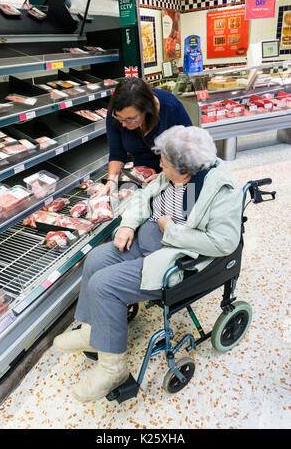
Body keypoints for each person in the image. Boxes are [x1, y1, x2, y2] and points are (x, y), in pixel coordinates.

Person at [53, 125, 243, 403]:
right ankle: (93, 332)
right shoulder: (174, 178)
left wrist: (172, 231)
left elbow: (224, 242)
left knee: (105, 286)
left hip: (172, 260)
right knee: (95, 259)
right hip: (144, 244)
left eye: (164, 163)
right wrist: (128, 225)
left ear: (185, 168)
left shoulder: (219, 189)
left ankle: (112, 369)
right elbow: (145, 196)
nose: (159, 166)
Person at [93, 77, 192, 197]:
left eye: (130, 119)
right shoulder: (117, 112)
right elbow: (116, 154)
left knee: (182, 213)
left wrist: (164, 176)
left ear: (147, 109)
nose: (123, 124)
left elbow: (189, 151)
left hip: (178, 176)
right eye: (120, 118)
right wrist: (111, 182)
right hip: (142, 178)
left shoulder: (170, 107)